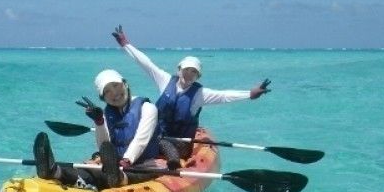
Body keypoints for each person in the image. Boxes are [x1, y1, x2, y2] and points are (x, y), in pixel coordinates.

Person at [111, 24, 271, 158]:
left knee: (161, 145)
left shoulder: (200, 94)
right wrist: (126, 44)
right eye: (186, 70)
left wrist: (250, 94)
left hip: (181, 144)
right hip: (156, 136)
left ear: (197, 76)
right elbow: (145, 63)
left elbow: (224, 96)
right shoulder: (165, 80)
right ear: (179, 69)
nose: (189, 74)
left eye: (193, 72)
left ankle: (170, 162)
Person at [33, 69, 163, 191]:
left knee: (119, 174)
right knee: (90, 171)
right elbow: (103, 146)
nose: (114, 93)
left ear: (125, 84)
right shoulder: (106, 114)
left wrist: (126, 161)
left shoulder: (148, 108)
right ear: (103, 98)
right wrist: (99, 121)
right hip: (113, 164)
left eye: (116, 85)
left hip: (144, 164)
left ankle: (117, 178)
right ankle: (54, 171)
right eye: (107, 91)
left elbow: (141, 140)